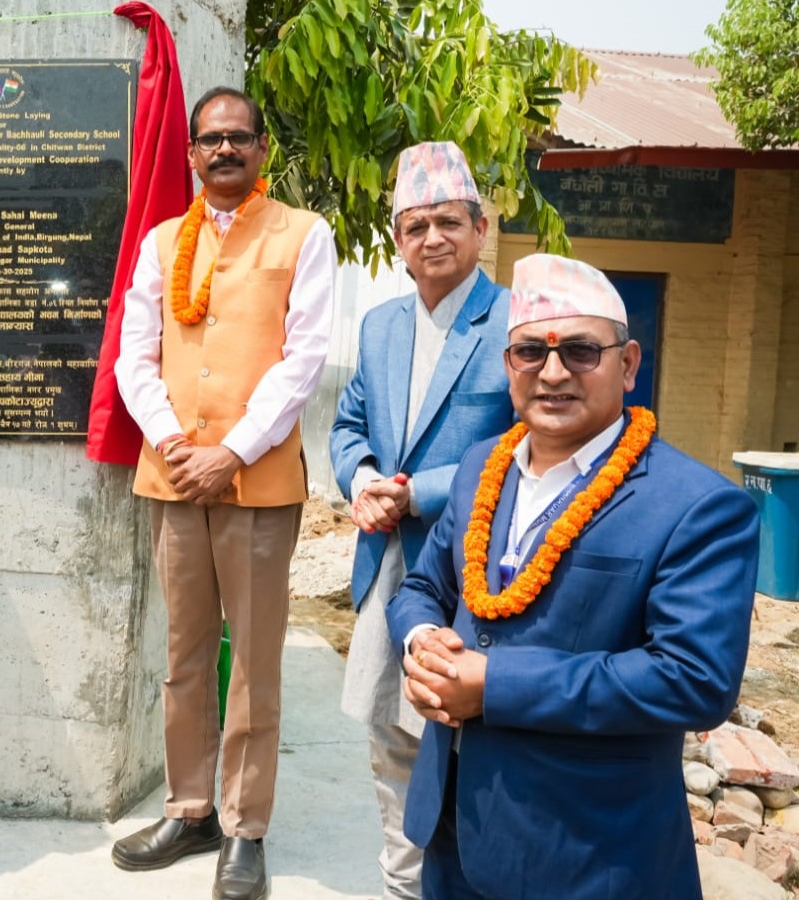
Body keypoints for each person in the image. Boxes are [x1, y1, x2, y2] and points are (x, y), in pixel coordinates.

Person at [388, 254, 760, 899]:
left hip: (589, 853)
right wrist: (422, 642)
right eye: (530, 351)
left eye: (581, 352)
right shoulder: (483, 466)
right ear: (509, 366)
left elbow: (693, 679)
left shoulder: (694, 504)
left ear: (629, 364)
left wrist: (495, 684)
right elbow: (424, 587)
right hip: (454, 821)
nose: (552, 372)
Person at [110, 86, 334, 900]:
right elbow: (135, 354)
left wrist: (232, 450)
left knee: (255, 666)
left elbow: (303, 357)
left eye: (241, 137)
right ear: (192, 154)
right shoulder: (163, 243)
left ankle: (245, 827)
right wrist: (175, 443)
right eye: (212, 139)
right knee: (183, 658)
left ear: (263, 150)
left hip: (259, 484)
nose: (226, 150)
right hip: (174, 476)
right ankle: (189, 807)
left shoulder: (304, 236)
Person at [327, 141, 515, 900]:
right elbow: (347, 424)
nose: (432, 237)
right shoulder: (380, 325)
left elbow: (523, 439)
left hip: (480, 573)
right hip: (389, 569)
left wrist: (418, 493)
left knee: (465, 746)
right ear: (397, 239)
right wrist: (365, 479)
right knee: (390, 744)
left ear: (480, 227)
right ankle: (403, 887)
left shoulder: (512, 322)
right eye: (415, 225)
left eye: (448, 221)